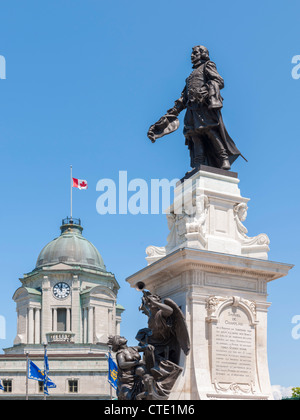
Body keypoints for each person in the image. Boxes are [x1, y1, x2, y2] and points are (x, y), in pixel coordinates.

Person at [148, 45, 244, 171]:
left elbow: (219, 81)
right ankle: (198, 164)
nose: (192, 56)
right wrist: (174, 111)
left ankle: (224, 158)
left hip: (203, 107)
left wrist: (206, 90)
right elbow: (184, 97)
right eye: (192, 54)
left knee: (209, 131)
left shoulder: (208, 65)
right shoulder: (190, 77)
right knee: (194, 135)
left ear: (203, 54)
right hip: (191, 110)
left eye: (195, 53)